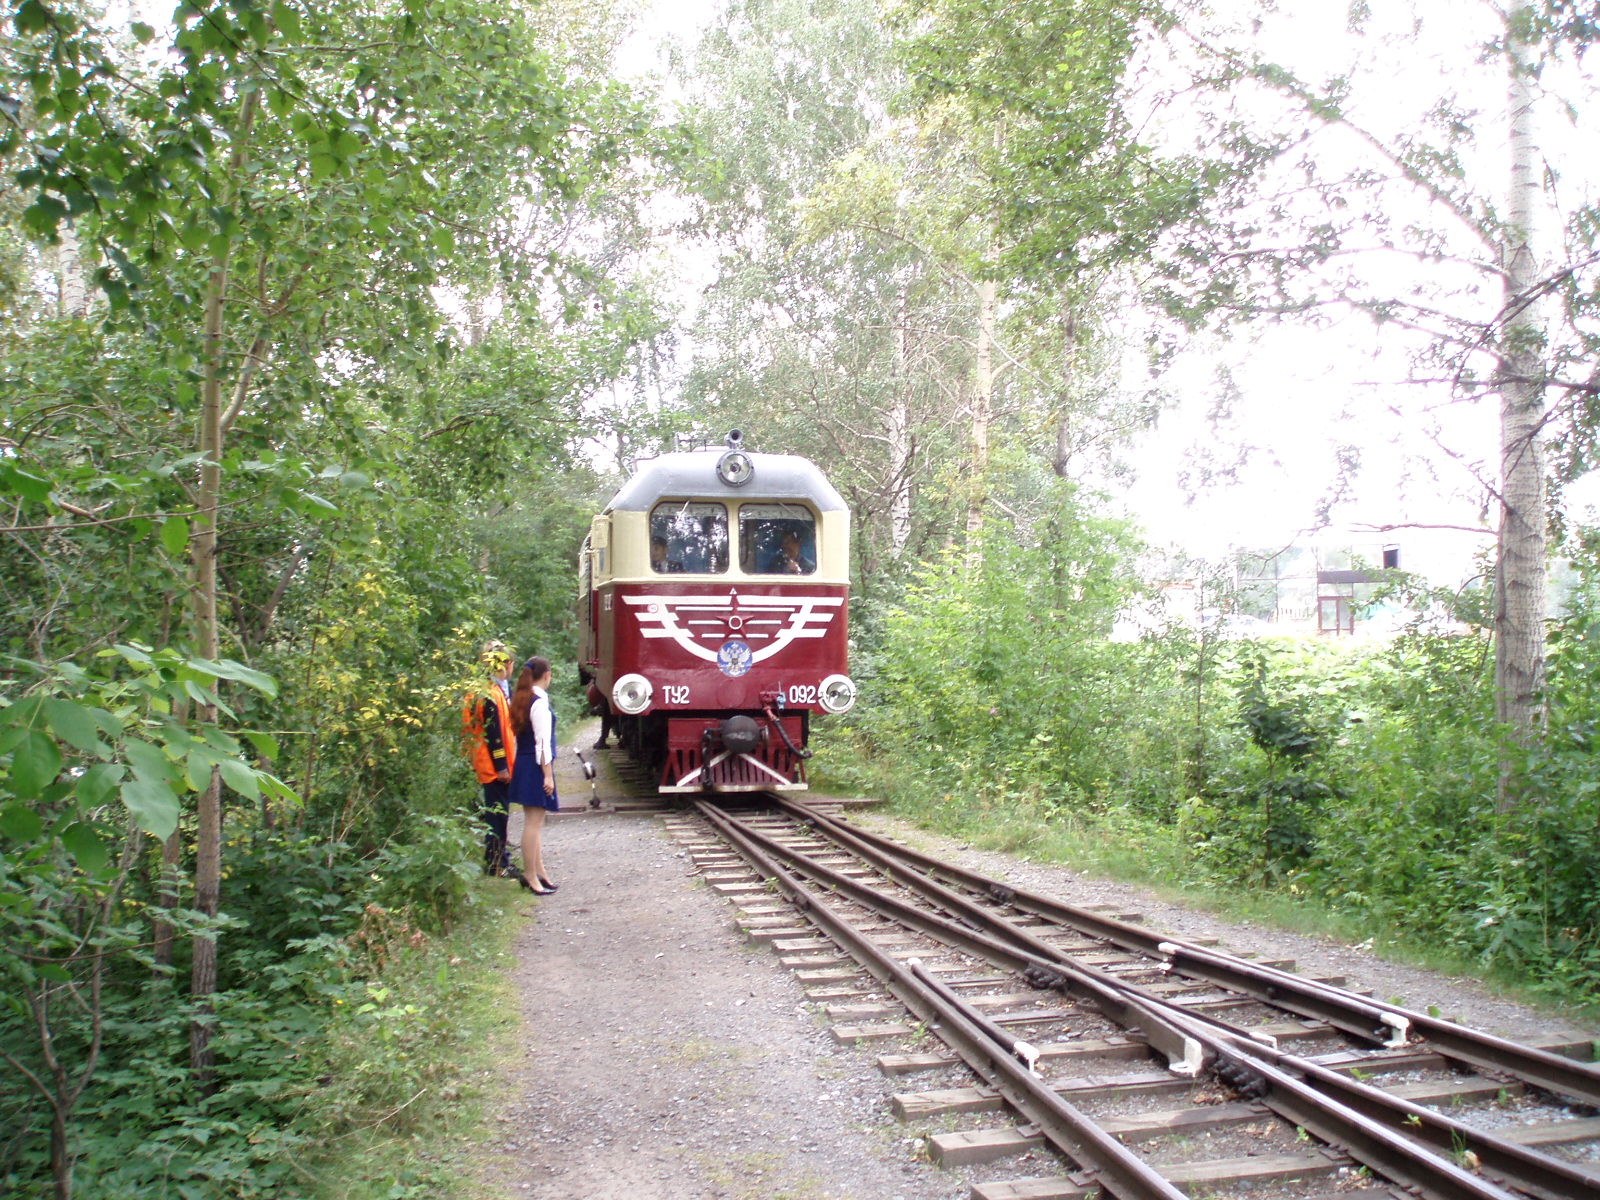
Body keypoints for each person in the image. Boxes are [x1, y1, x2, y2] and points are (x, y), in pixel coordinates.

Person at [461, 641, 516, 876]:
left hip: (487, 763)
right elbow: (494, 734)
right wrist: (502, 766)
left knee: (497, 814)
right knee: (497, 815)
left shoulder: (485, 689)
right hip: (493, 767)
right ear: (505, 664)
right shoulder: (490, 695)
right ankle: (496, 863)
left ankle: (499, 858)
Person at [508, 655, 560, 895]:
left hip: (525, 762)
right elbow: (542, 744)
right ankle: (530, 875)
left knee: (534, 821)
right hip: (536, 765)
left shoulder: (523, 698)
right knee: (533, 823)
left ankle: (540, 872)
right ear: (547, 675)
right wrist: (547, 775)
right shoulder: (539, 702)